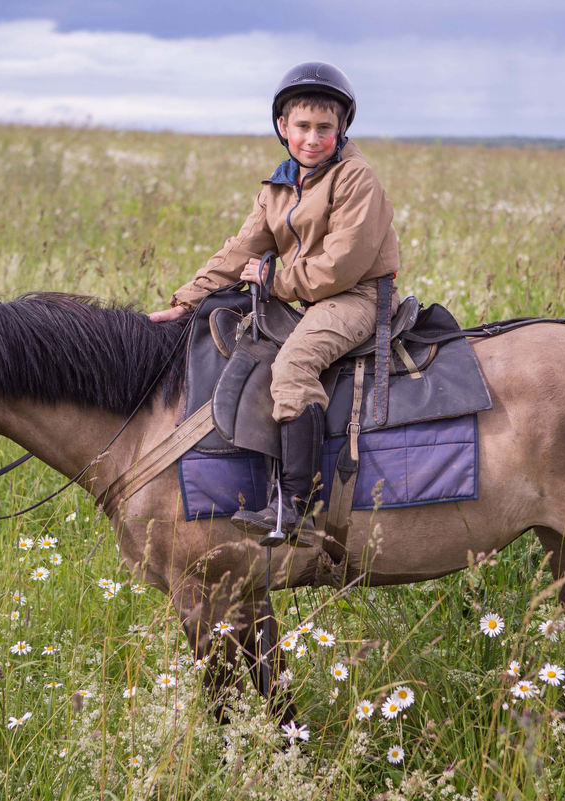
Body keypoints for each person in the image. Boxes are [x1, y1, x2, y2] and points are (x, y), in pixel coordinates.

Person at [149, 61, 400, 542]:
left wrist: (276, 283)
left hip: (357, 296)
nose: (312, 137)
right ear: (283, 128)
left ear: (342, 128)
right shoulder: (280, 185)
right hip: (308, 294)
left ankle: (298, 505)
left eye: (324, 128)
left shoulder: (356, 179)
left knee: (293, 366)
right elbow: (240, 252)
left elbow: (342, 265)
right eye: (302, 126)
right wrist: (185, 302)